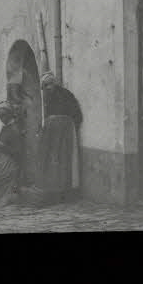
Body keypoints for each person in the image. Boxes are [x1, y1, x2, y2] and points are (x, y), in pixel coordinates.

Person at [37, 72, 83, 202]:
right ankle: (54, 190)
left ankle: (65, 191)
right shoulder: (47, 97)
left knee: (65, 161)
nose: (47, 89)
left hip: (66, 135)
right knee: (53, 161)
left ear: (54, 83)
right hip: (52, 136)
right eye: (45, 87)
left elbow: (76, 115)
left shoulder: (66, 95)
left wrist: (67, 127)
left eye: (48, 85)